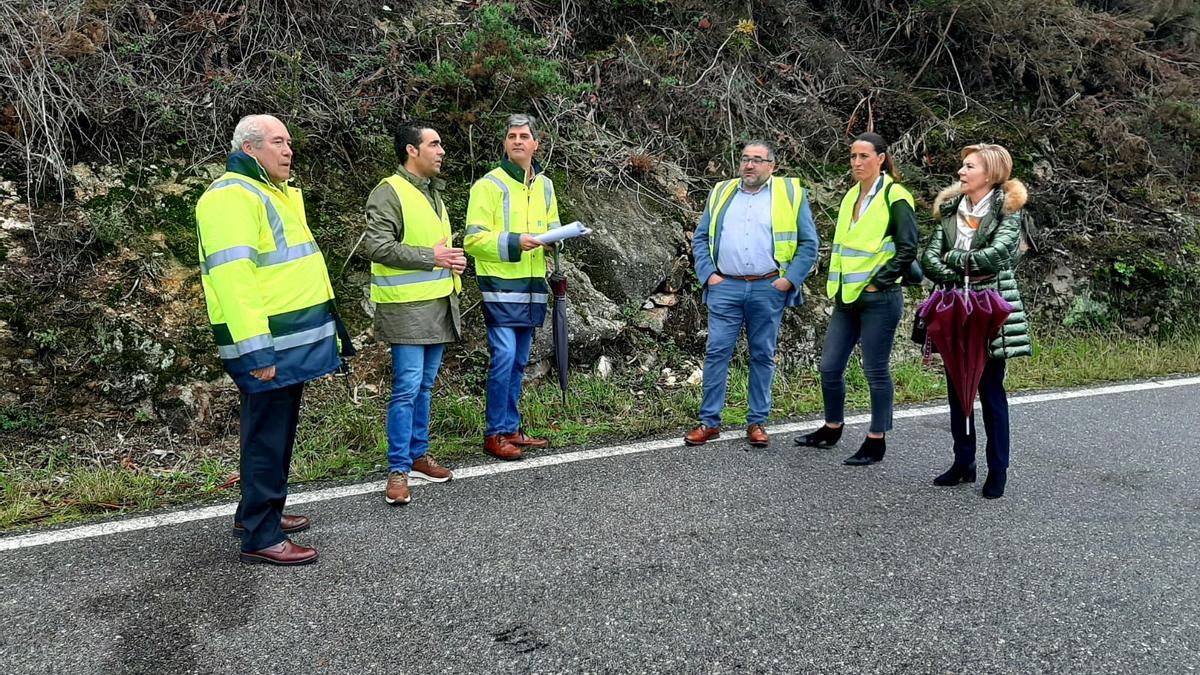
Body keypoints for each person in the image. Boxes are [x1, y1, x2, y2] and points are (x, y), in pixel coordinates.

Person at [195, 114, 351, 565]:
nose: (288, 150)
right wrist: (255, 350)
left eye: (289, 142)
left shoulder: (268, 192)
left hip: (288, 338)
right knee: (268, 435)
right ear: (250, 148)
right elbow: (233, 277)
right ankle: (262, 535)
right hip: (269, 344)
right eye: (278, 142)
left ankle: (256, 513)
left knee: (271, 432)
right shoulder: (232, 196)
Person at [794, 132, 919, 465]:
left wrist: (879, 281)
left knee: (875, 369)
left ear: (881, 158)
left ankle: (876, 440)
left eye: (864, 156)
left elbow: (908, 247)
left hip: (880, 298)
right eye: (853, 156)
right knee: (829, 366)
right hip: (846, 297)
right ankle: (832, 427)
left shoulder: (896, 195)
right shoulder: (851, 196)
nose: (857, 162)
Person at [685, 140, 820, 448]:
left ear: (771, 166)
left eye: (757, 160)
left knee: (762, 354)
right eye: (745, 159)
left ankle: (757, 421)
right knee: (717, 352)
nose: (749, 165)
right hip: (726, 286)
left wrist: (789, 281)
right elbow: (702, 237)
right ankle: (709, 422)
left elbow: (808, 243)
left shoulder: (789, 194)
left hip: (768, 286)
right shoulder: (721, 192)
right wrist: (709, 276)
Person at [921, 143, 1031, 499]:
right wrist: (959, 262)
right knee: (957, 387)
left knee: (990, 390)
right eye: (963, 166)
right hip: (955, 303)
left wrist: (954, 259)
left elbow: (997, 256)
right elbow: (929, 259)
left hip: (991, 306)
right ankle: (963, 461)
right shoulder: (951, 208)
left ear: (991, 173)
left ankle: (998, 468)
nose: (961, 172)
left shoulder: (1008, 211)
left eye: (969, 167)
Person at [363, 121, 462, 505]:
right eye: (434, 144)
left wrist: (451, 262)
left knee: (424, 386)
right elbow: (377, 246)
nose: (441, 151)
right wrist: (431, 257)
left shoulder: (434, 193)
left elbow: (434, 247)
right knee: (406, 389)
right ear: (411, 150)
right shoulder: (388, 192)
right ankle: (398, 469)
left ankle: (418, 456)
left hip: (439, 304)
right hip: (406, 309)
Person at [464, 114, 560, 461]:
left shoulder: (546, 185)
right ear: (505, 144)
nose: (517, 141)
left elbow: (553, 227)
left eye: (524, 136)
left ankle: (511, 428)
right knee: (503, 357)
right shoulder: (488, 186)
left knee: (519, 361)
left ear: (536, 144)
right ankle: (494, 433)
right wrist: (517, 241)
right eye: (511, 136)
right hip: (501, 287)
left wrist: (556, 240)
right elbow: (473, 240)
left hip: (532, 286)